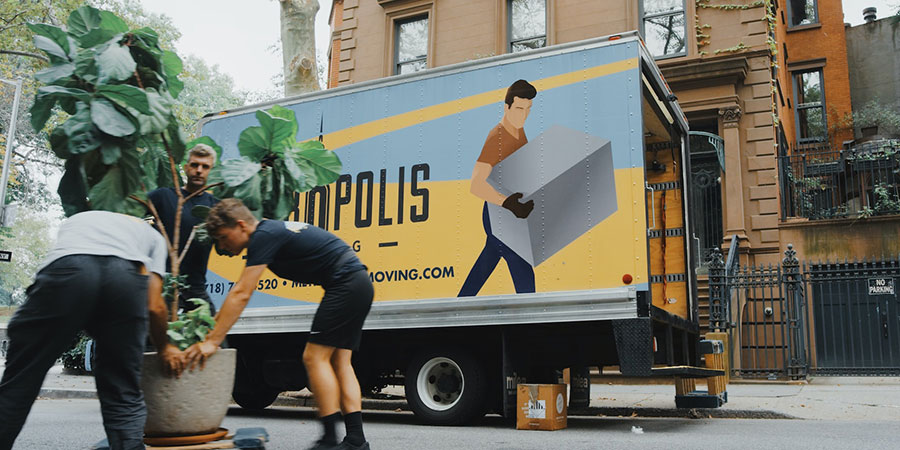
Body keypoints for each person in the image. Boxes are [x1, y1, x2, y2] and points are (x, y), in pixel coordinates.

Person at [184, 198, 373, 450]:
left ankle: (328, 441)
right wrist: (211, 330)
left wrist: (213, 342)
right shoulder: (270, 231)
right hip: (357, 282)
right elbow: (237, 296)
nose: (221, 244)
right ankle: (356, 441)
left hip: (346, 283)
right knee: (340, 362)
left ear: (241, 225)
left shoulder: (263, 236)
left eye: (222, 236)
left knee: (313, 357)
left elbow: (241, 292)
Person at [0, 211, 184, 450]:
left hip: (69, 270)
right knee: (123, 391)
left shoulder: (80, 218)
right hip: (124, 280)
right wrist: (166, 347)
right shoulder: (153, 237)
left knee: (20, 382)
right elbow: (155, 305)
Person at [458, 79, 538, 297]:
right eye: (519, 108)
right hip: (498, 214)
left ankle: (461, 302)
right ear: (507, 107)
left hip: (511, 212)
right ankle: (533, 317)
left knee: (489, 258)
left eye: (528, 109)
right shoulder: (498, 138)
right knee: (521, 264)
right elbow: (476, 183)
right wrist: (508, 203)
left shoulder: (518, 131)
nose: (524, 115)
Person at [148, 143, 219, 313]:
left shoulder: (216, 208)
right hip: (164, 285)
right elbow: (130, 209)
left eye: (205, 166)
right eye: (194, 165)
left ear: (211, 170)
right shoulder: (163, 196)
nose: (199, 170)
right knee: (157, 337)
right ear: (186, 167)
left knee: (212, 335)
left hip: (196, 288)